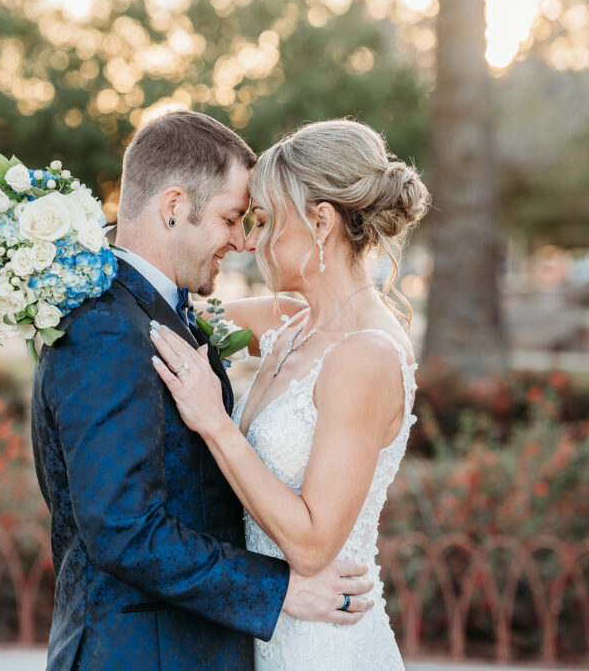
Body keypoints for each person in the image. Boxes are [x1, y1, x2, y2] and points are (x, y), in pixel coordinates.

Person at [30, 110, 374, 671]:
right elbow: (122, 528)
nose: (242, 241)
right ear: (173, 208)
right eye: (231, 218)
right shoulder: (105, 329)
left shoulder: (157, 312)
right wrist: (280, 590)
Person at [150, 119, 429, 669]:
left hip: (323, 642)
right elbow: (155, 313)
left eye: (263, 220)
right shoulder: (292, 320)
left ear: (320, 221)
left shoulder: (364, 354)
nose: (249, 241)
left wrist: (215, 421)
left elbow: (311, 544)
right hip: (262, 627)